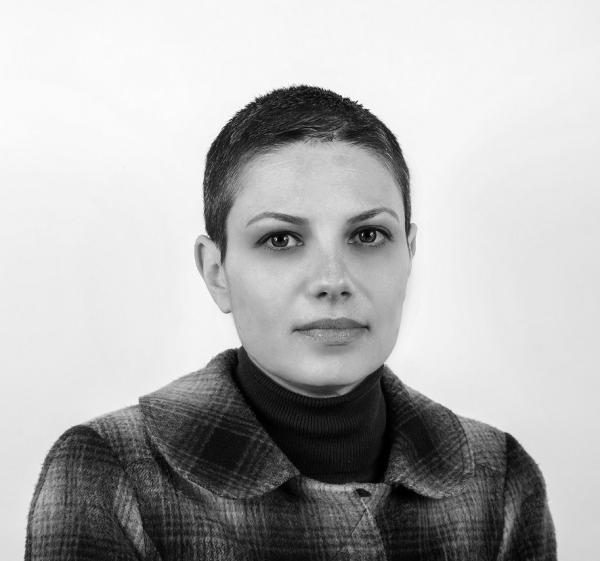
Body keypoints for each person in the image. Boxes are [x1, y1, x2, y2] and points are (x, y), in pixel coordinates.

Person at [25, 86, 557, 560]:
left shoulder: (498, 476)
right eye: (280, 239)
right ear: (216, 272)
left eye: (368, 235)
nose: (333, 280)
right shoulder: (111, 471)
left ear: (409, 254)